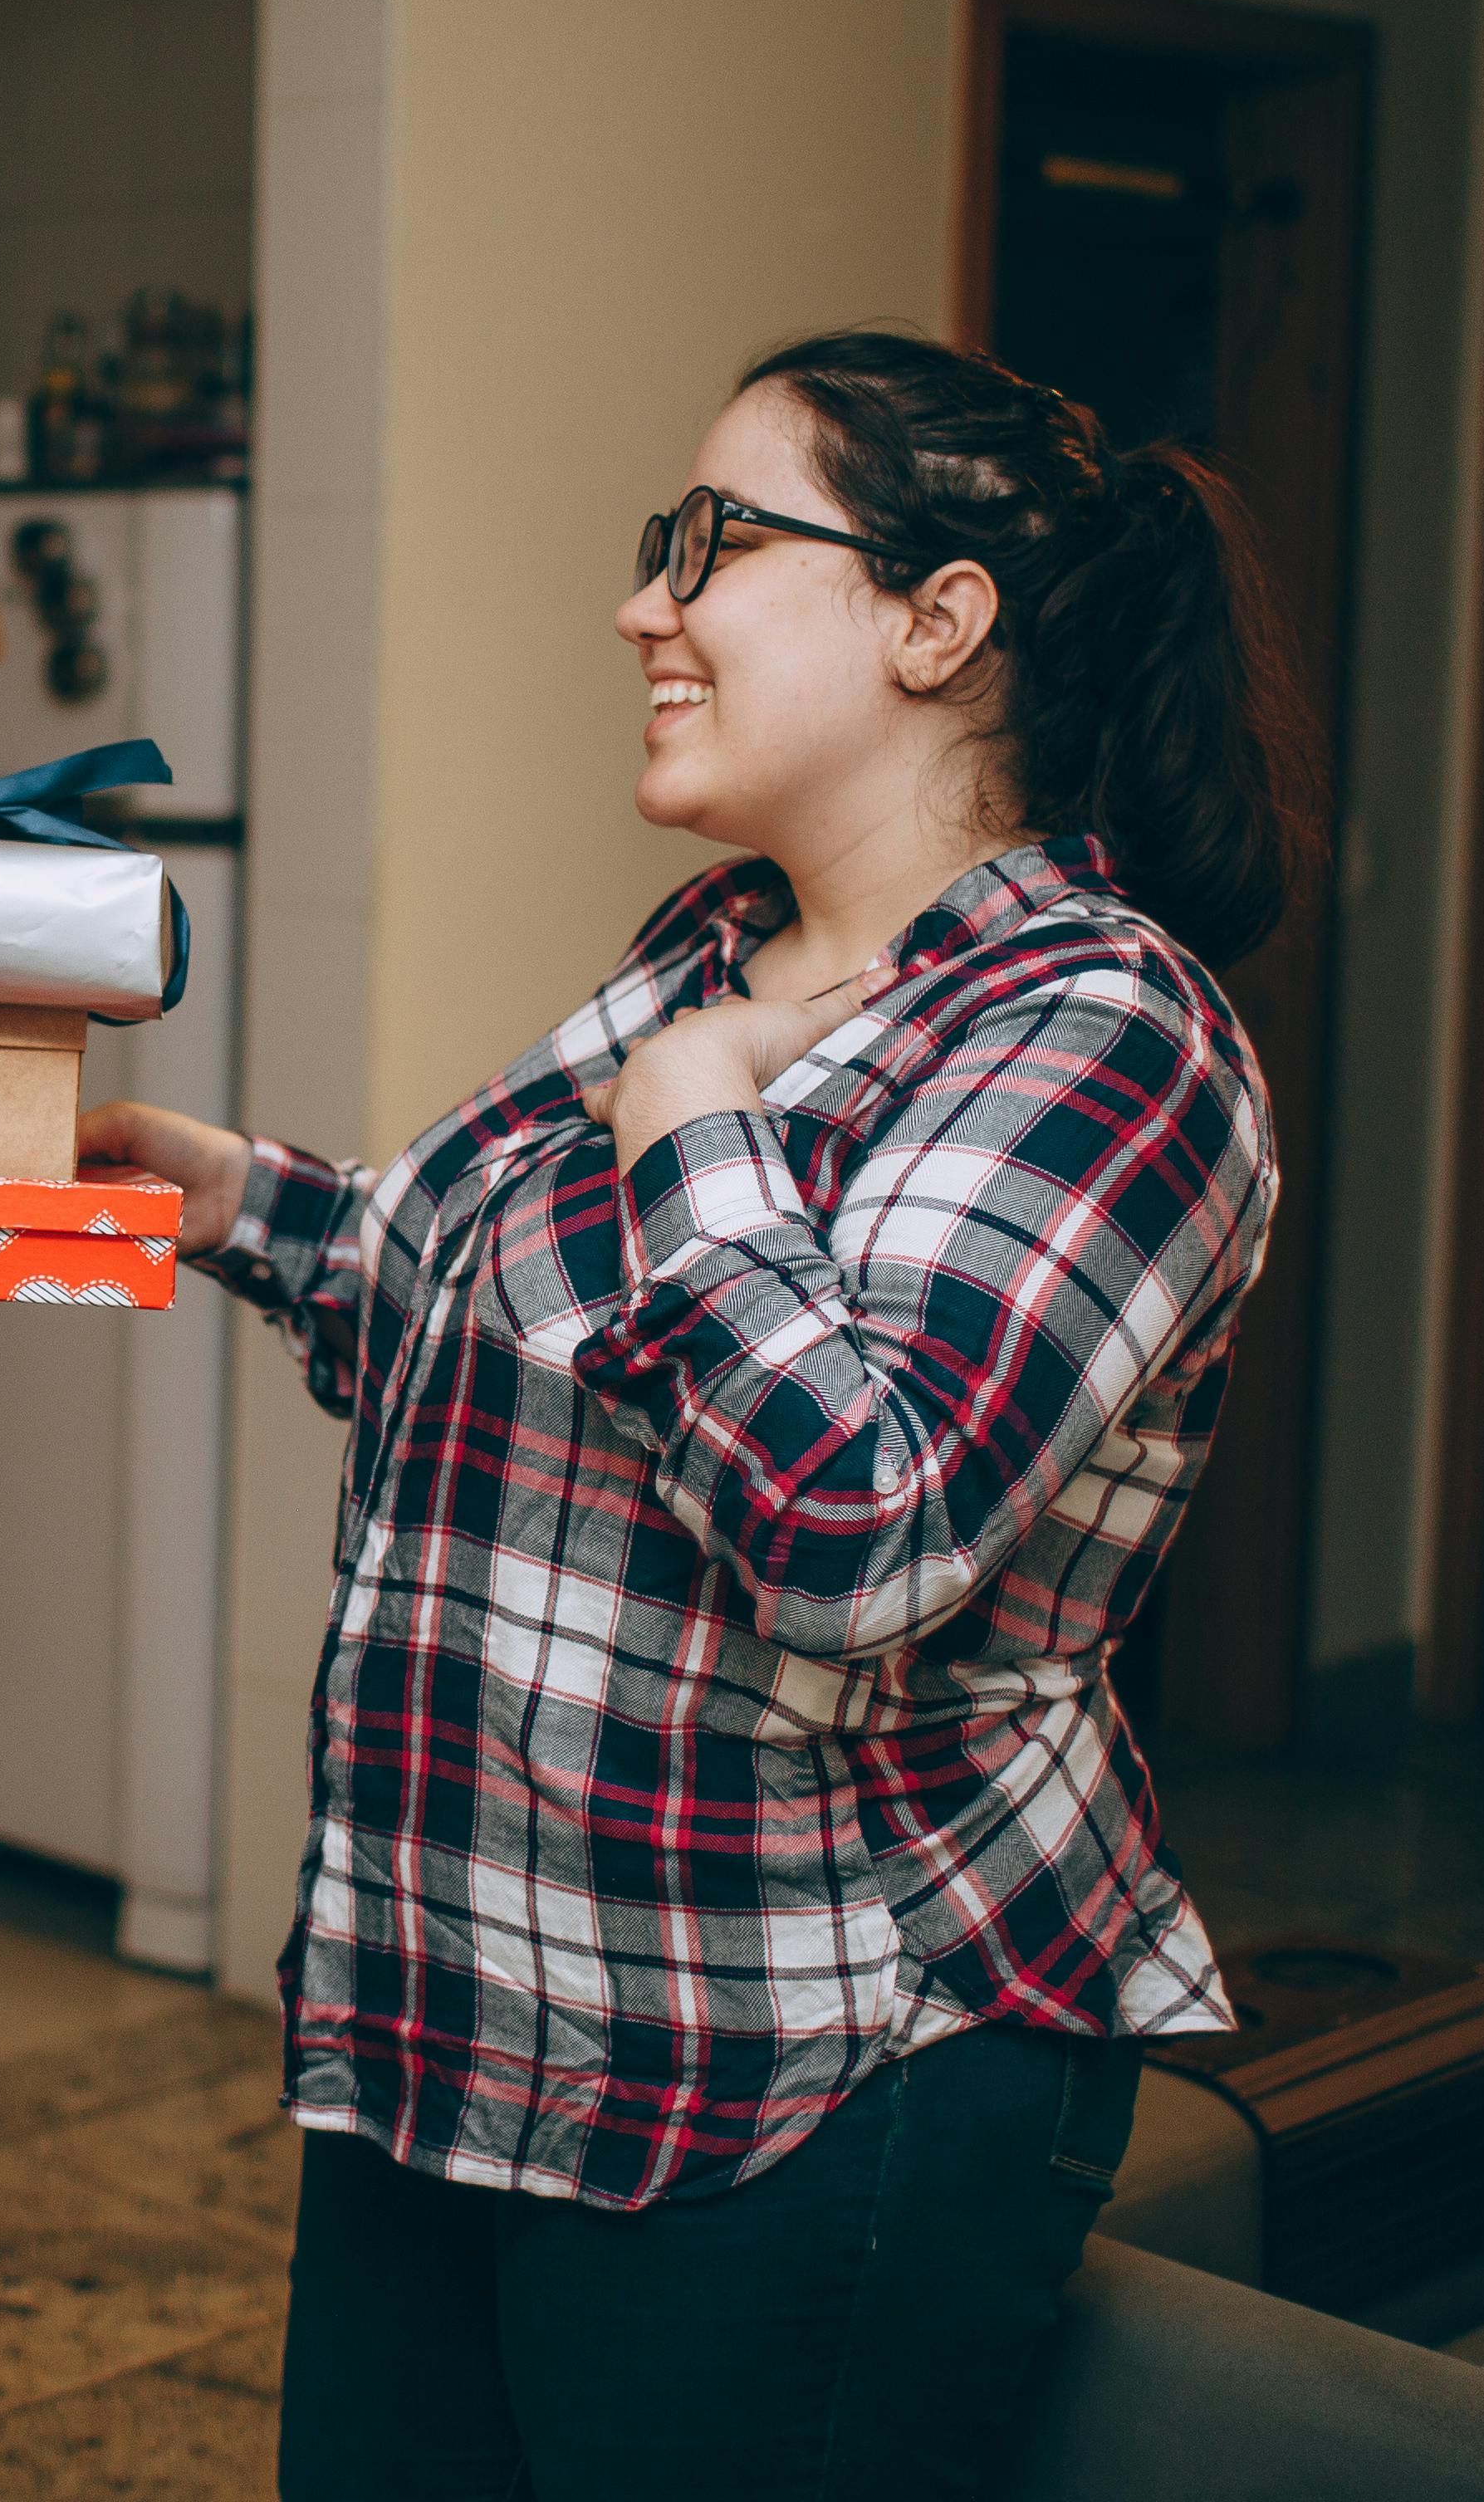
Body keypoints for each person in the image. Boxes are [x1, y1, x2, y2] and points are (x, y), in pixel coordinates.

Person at [86, 328, 1323, 2498]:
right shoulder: (713, 950)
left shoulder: (1112, 1037)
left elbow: (859, 1531)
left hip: (804, 2067)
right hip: (468, 2014)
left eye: (717, 542)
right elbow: (460, 1307)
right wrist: (219, 1199)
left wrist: (689, 1124)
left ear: (941, 624)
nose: (645, 602)